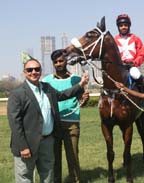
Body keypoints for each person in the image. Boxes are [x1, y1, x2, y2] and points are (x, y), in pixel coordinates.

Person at [7, 54, 88, 183]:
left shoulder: (46, 88)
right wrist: (23, 146)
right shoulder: (17, 94)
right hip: (27, 144)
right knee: (25, 178)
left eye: (37, 69)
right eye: (30, 70)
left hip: (47, 142)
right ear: (24, 73)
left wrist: (80, 84)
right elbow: (15, 123)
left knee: (48, 176)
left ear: (41, 71)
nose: (34, 72)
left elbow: (62, 95)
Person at [43, 49, 89, 183]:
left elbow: (82, 102)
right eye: (56, 62)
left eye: (61, 60)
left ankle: (75, 180)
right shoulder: (47, 80)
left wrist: (84, 99)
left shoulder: (76, 79)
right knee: (55, 158)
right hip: (54, 124)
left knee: (73, 156)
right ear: (53, 63)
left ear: (66, 61)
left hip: (72, 123)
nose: (58, 64)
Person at [114, 13, 144, 91]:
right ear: (118, 27)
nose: (123, 27)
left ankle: (143, 96)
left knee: (136, 74)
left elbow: (141, 54)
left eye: (125, 25)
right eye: (121, 25)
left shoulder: (135, 38)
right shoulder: (114, 40)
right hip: (119, 68)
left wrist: (134, 63)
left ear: (129, 26)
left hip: (131, 67)